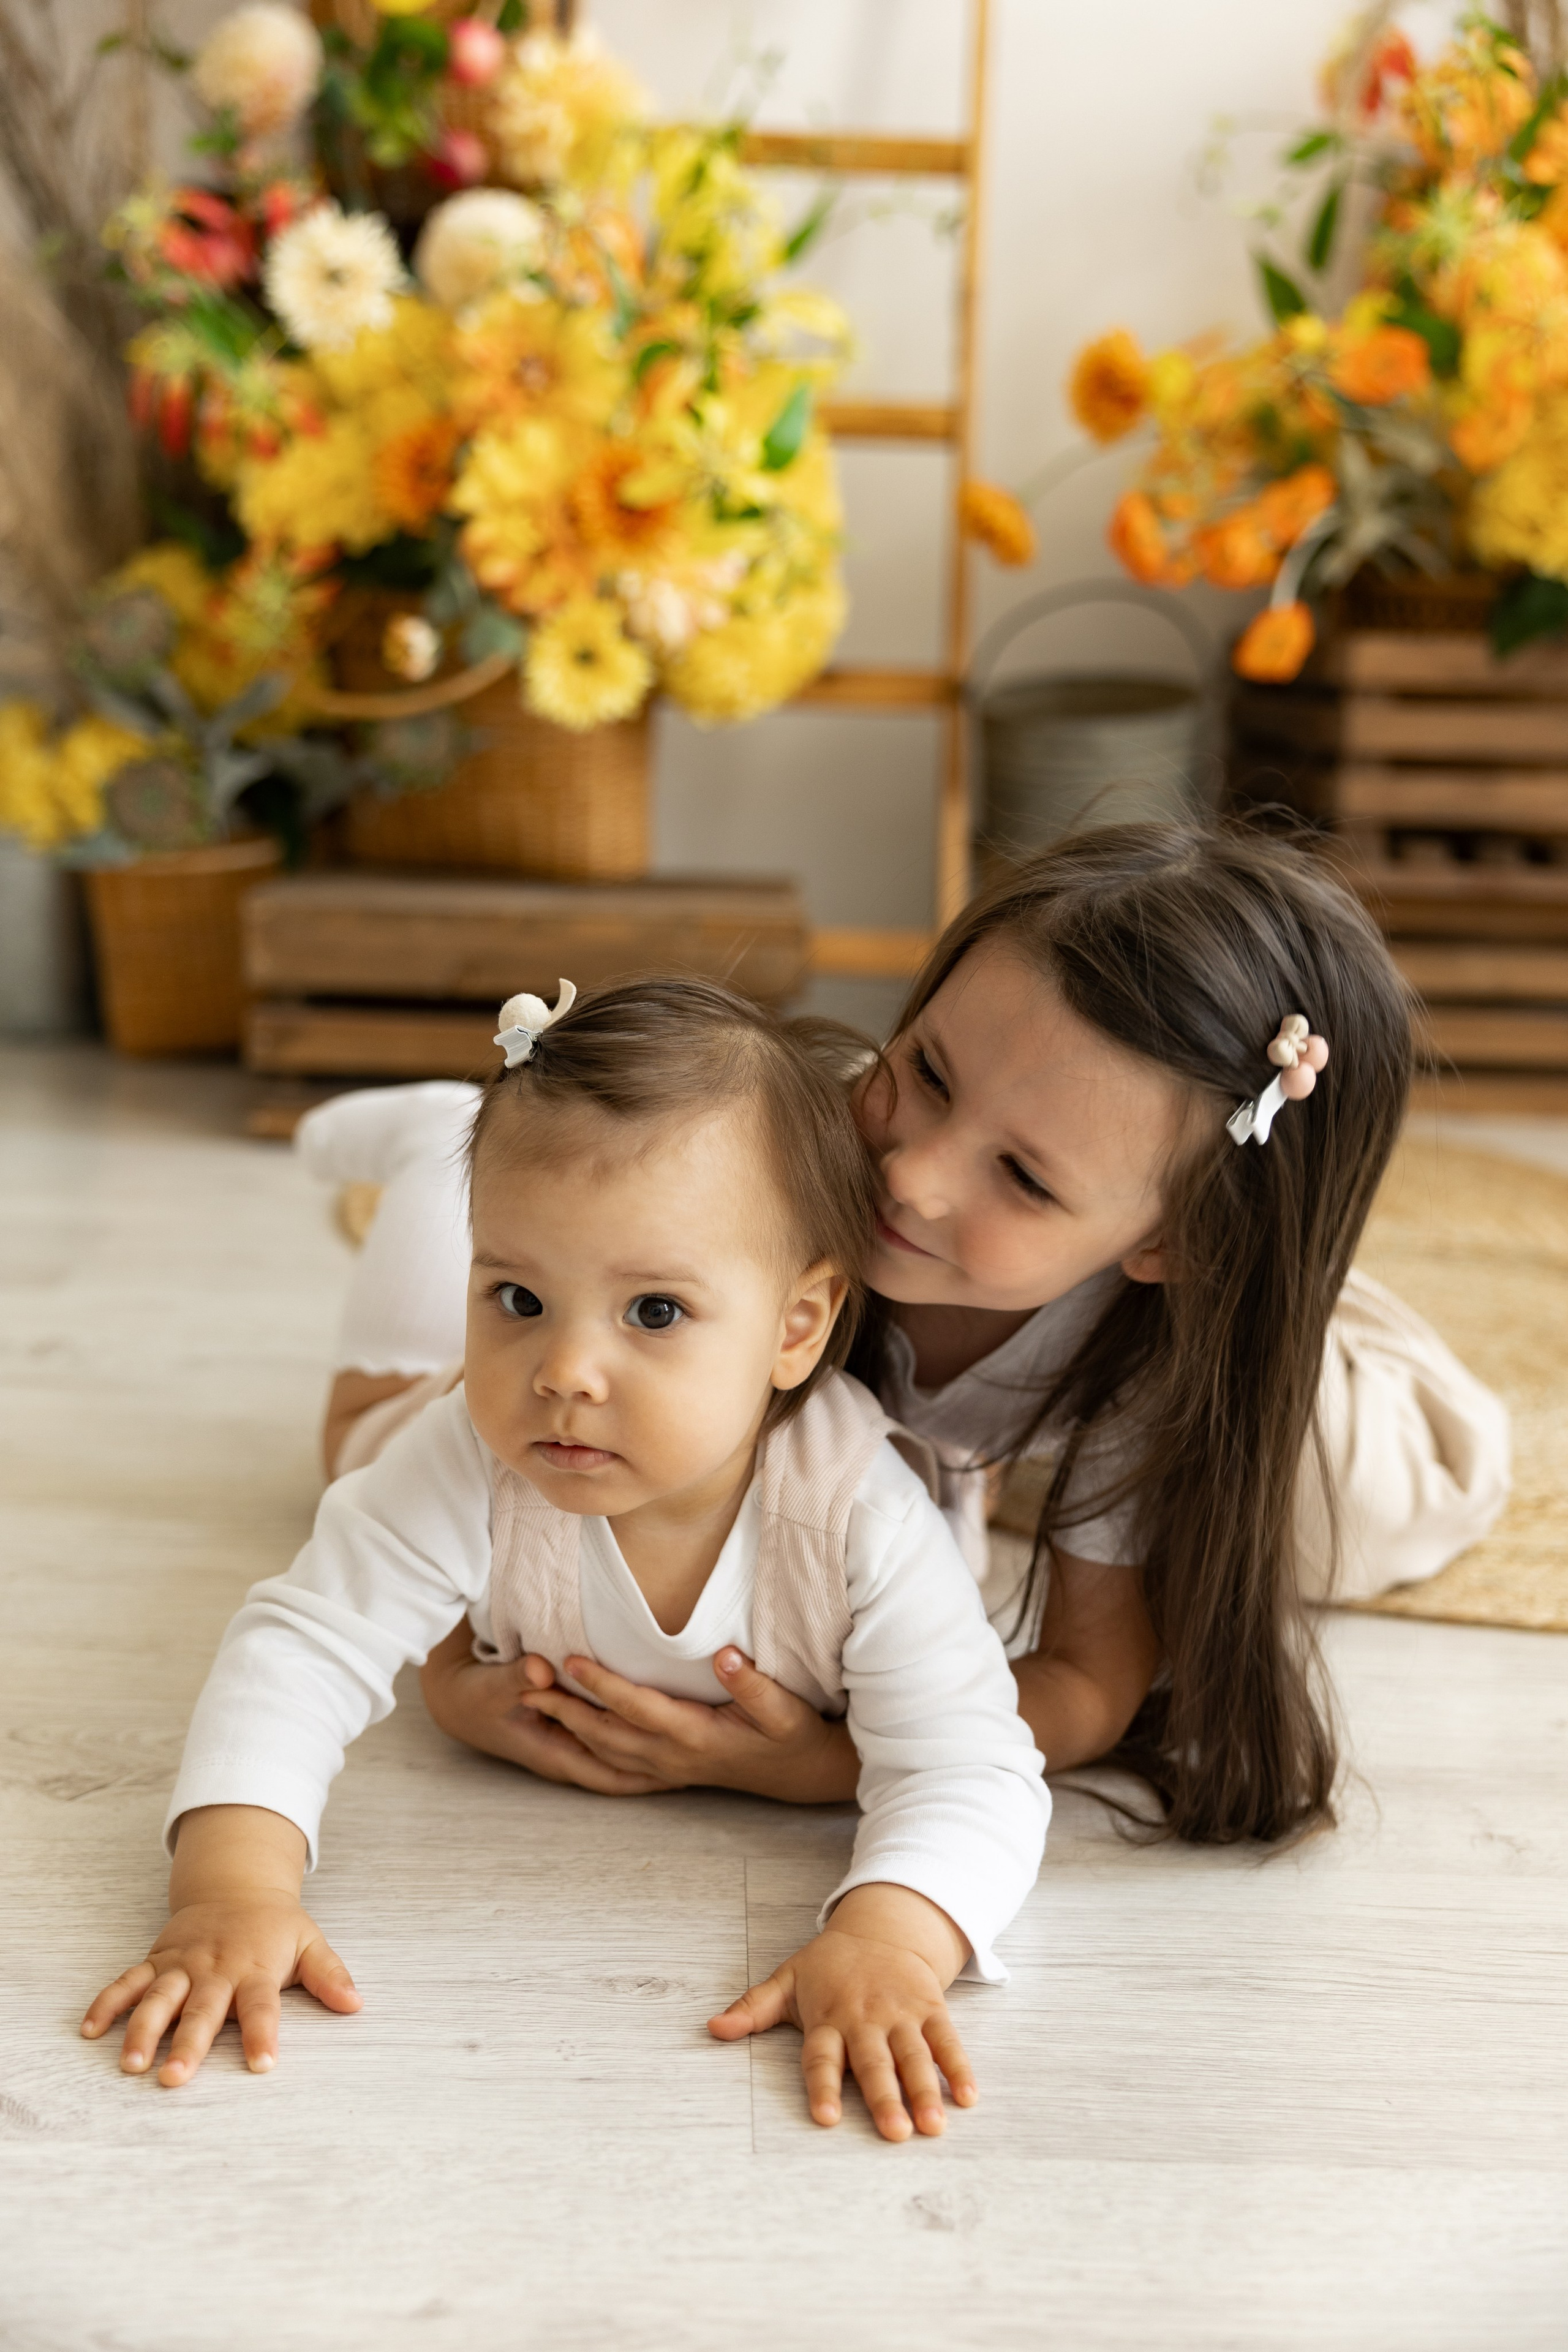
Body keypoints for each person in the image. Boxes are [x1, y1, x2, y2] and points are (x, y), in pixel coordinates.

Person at [402, 826, 1510, 1843]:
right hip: (1025, 1313)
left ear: (1166, 1241)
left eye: (1023, 1174)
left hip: (1285, 1367)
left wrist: (831, 1762)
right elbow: (494, 1456)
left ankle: (1312, 1293)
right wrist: (455, 1674)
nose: (913, 1173)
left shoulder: (1151, 1368)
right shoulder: (777, 1174)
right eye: (928, 1071)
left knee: (1347, 1523)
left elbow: (1088, 1676)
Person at [81, 980, 1049, 2140]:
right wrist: (234, 1886)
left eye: (652, 1313)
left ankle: (443, 1165)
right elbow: (306, 1643)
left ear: (797, 1329)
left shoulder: (861, 1520)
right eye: (521, 1298)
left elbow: (973, 1767)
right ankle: (432, 1154)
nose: (566, 1372)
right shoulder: (475, 1451)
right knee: (362, 1426)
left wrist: (893, 1937)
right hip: (425, 1411)